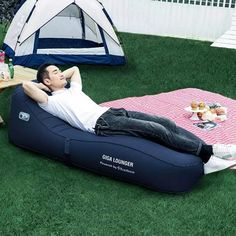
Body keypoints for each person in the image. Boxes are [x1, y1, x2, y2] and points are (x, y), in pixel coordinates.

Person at [22, 64, 236, 165]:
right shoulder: (50, 102)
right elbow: (25, 85)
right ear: (47, 81)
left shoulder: (72, 90)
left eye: (60, 71)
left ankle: (203, 152)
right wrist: (44, 85)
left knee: (164, 121)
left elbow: (76, 69)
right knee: (156, 130)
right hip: (100, 124)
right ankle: (210, 150)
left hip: (111, 112)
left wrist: (56, 77)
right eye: (56, 73)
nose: (61, 73)